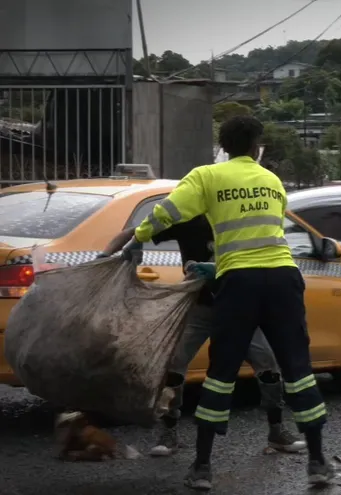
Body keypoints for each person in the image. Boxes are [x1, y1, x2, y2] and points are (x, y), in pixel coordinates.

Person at [111, 115, 329, 491]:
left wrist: (138, 237)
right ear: (255, 146)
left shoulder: (206, 177)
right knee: (298, 370)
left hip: (238, 283)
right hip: (282, 278)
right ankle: (317, 462)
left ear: (223, 146)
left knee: (221, 374)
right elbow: (265, 236)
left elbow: (167, 213)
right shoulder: (272, 181)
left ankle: (202, 467)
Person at [98, 219, 306, 459]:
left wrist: (217, 270)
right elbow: (134, 231)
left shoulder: (238, 218)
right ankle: (169, 434)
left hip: (239, 308)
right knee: (174, 367)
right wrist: (107, 254)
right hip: (199, 308)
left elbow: (262, 260)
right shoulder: (187, 220)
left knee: (268, 367)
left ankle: (277, 432)